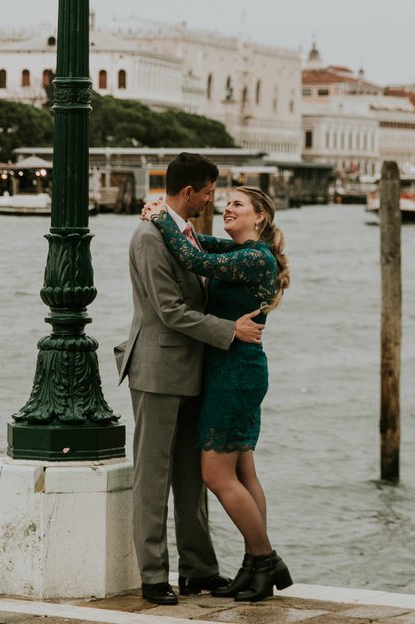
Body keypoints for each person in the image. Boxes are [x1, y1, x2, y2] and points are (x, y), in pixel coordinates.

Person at [115, 153, 264, 605]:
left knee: (191, 477)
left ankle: (199, 569)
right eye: (208, 192)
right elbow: (169, 310)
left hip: (194, 370)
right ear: (188, 193)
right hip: (158, 371)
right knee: (153, 476)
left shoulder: (186, 234)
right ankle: (153, 574)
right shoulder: (148, 238)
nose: (212, 200)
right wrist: (229, 330)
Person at [148, 185, 292, 602]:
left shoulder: (254, 256)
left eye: (238, 204)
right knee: (244, 473)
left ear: (259, 217)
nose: (227, 208)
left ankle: (265, 560)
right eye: (226, 201)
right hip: (235, 368)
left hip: (235, 373)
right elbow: (196, 241)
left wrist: (160, 215)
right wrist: (170, 217)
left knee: (216, 474)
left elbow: (193, 257)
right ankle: (253, 563)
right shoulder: (240, 252)